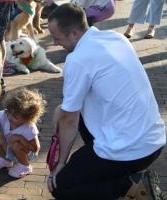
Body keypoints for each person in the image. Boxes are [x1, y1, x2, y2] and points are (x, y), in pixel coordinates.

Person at [47, 3, 166, 200]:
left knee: (61, 187)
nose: (54, 43)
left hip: (132, 151)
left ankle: (130, 185)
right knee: (76, 112)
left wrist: (61, 164)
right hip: (153, 142)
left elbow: (69, 121)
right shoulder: (115, 38)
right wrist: (62, 107)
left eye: (56, 38)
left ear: (74, 33)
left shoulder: (77, 59)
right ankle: (113, 174)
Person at [42, 0, 116, 26]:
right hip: (106, 5)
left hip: (104, 8)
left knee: (81, 16)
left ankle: (85, 42)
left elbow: (79, 5)